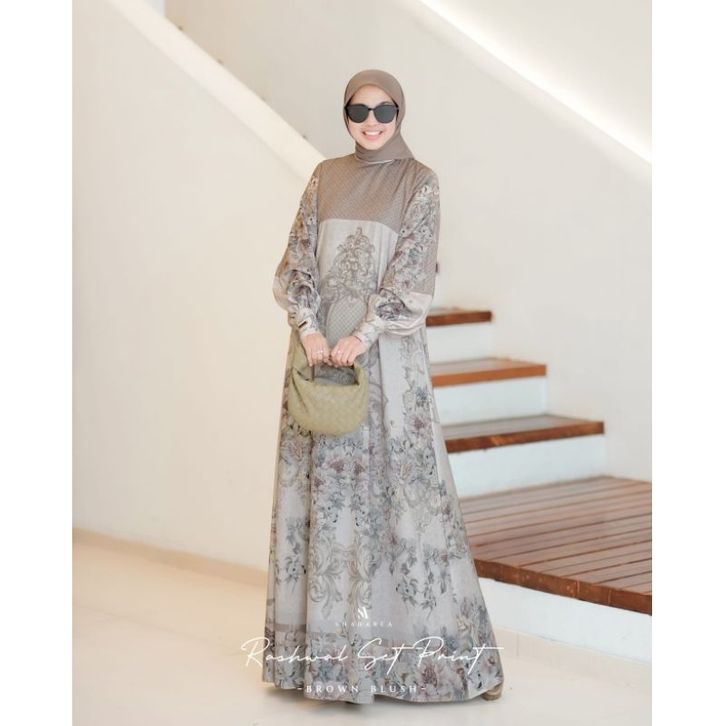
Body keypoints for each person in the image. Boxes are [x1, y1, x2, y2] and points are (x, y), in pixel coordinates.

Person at [262, 69, 505, 705]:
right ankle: (326, 663)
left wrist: (363, 333)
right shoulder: (325, 177)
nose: (370, 122)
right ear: (345, 114)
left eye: (384, 110)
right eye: (358, 110)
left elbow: (412, 272)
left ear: (401, 112)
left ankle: (443, 663)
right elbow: (297, 258)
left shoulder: (418, 182)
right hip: (320, 358)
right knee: (327, 497)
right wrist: (311, 330)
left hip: (386, 363)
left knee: (405, 498)